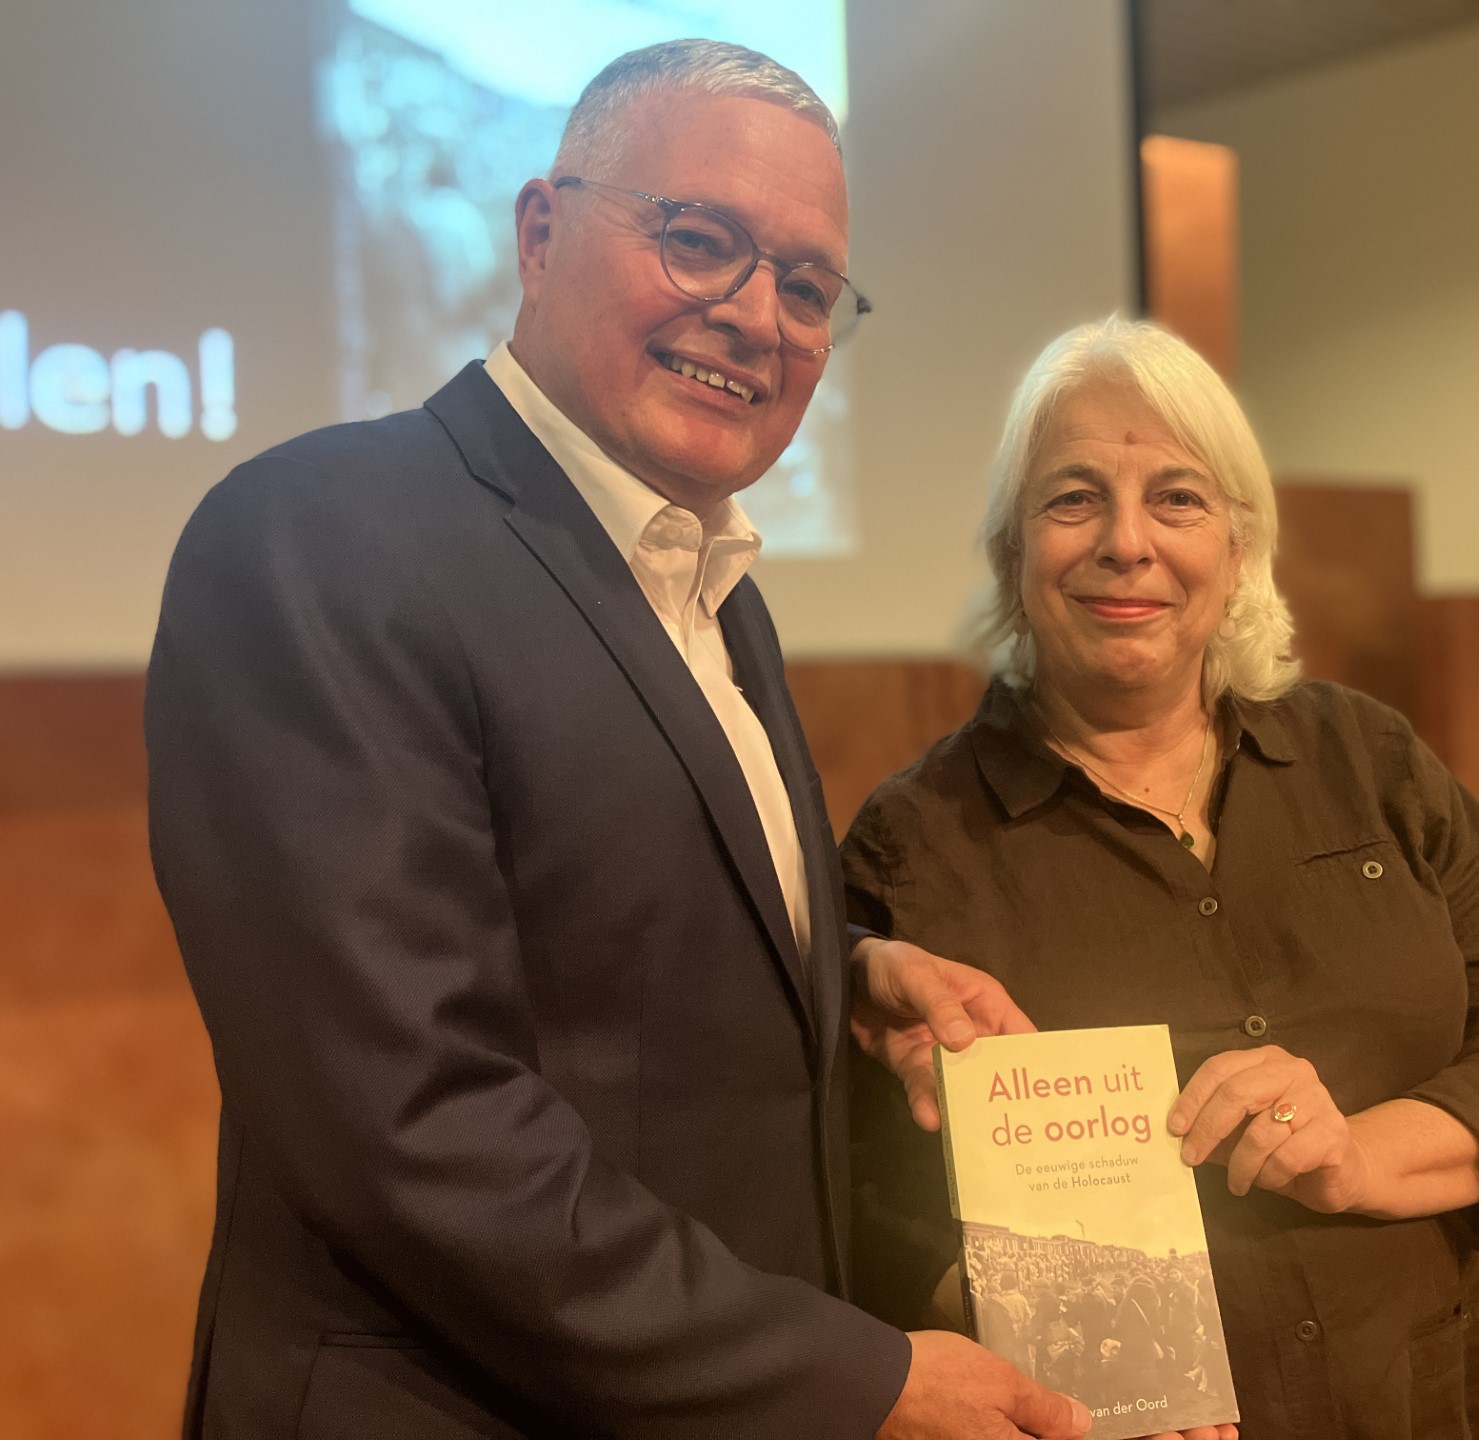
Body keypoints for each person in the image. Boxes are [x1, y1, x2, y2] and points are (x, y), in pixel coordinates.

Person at [146, 39, 1092, 1439]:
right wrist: (856, 1375)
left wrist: (839, 980)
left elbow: (604, 948)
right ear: (540, 233)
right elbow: (413, 1122)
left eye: (807, 285)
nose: (755, 315)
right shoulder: (318, 539)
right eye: (699, 242)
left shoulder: (714, 586)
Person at [844, 317, 1479, 1437]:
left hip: (1438, 1396)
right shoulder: (915, 845)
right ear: (1012, 550)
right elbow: (861, 1204)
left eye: (1178, 499)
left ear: (1239, 550)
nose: (1127, 543)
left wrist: (1358, 1160)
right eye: (1072, 498)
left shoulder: (1370, 759)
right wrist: (1066, 1363)